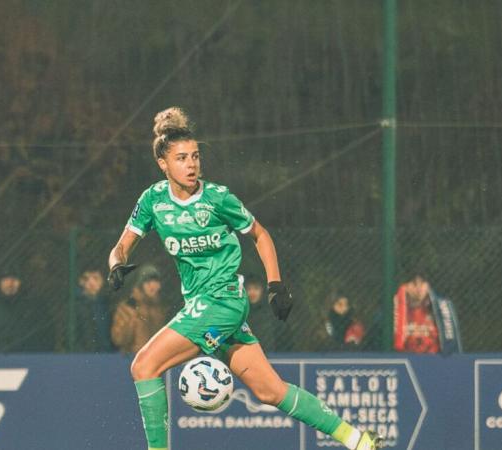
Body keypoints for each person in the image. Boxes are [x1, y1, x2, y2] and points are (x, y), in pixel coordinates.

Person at [107, 107, 383, 450]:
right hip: (201, 306)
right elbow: (121, 246)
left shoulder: (217, 198)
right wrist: (116, 265)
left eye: (195, 156)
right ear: (163, 164)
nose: (191, 164)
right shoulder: (152, 201)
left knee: (144, 365)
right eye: (181, 158)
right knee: (270, 391)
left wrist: (275, 285)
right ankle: (357, 439)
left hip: (222, 302)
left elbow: (261, 235)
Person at [373, 272, 462, 354]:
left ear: (428, 286)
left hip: (434, 363)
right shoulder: (390, 310)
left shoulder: (441, 309)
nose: (418, 288)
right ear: (405, 285)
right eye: (414, 283)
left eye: (423, 283)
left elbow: (450, 346)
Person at [0, 268, 51, 352]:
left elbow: (46, 335)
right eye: (5, 279)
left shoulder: (35, 306)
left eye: (15, 279)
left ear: (22, 282)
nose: (10, 284)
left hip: (27, 357)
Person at [110, 265, 168, 353]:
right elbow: (118, 340)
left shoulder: (162, 307)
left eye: (155, 282)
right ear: (140, 285)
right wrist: (132, 319)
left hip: (158, 356)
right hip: (133, 357)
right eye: (148, 282)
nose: (152, 286)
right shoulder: (127, 308)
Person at [73, 268, 113, 352]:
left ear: (102, 281)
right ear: (80, 281)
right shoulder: (74, 306)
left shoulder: (108, 304)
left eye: (95, 278)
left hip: (107, 354)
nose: (91, 283)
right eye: (86, 278)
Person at [245, 274, 278, 352]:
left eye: (256, 289)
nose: (252, 292)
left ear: (262, 290)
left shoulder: (268, 313)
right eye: (249, 289)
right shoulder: (241, 312)